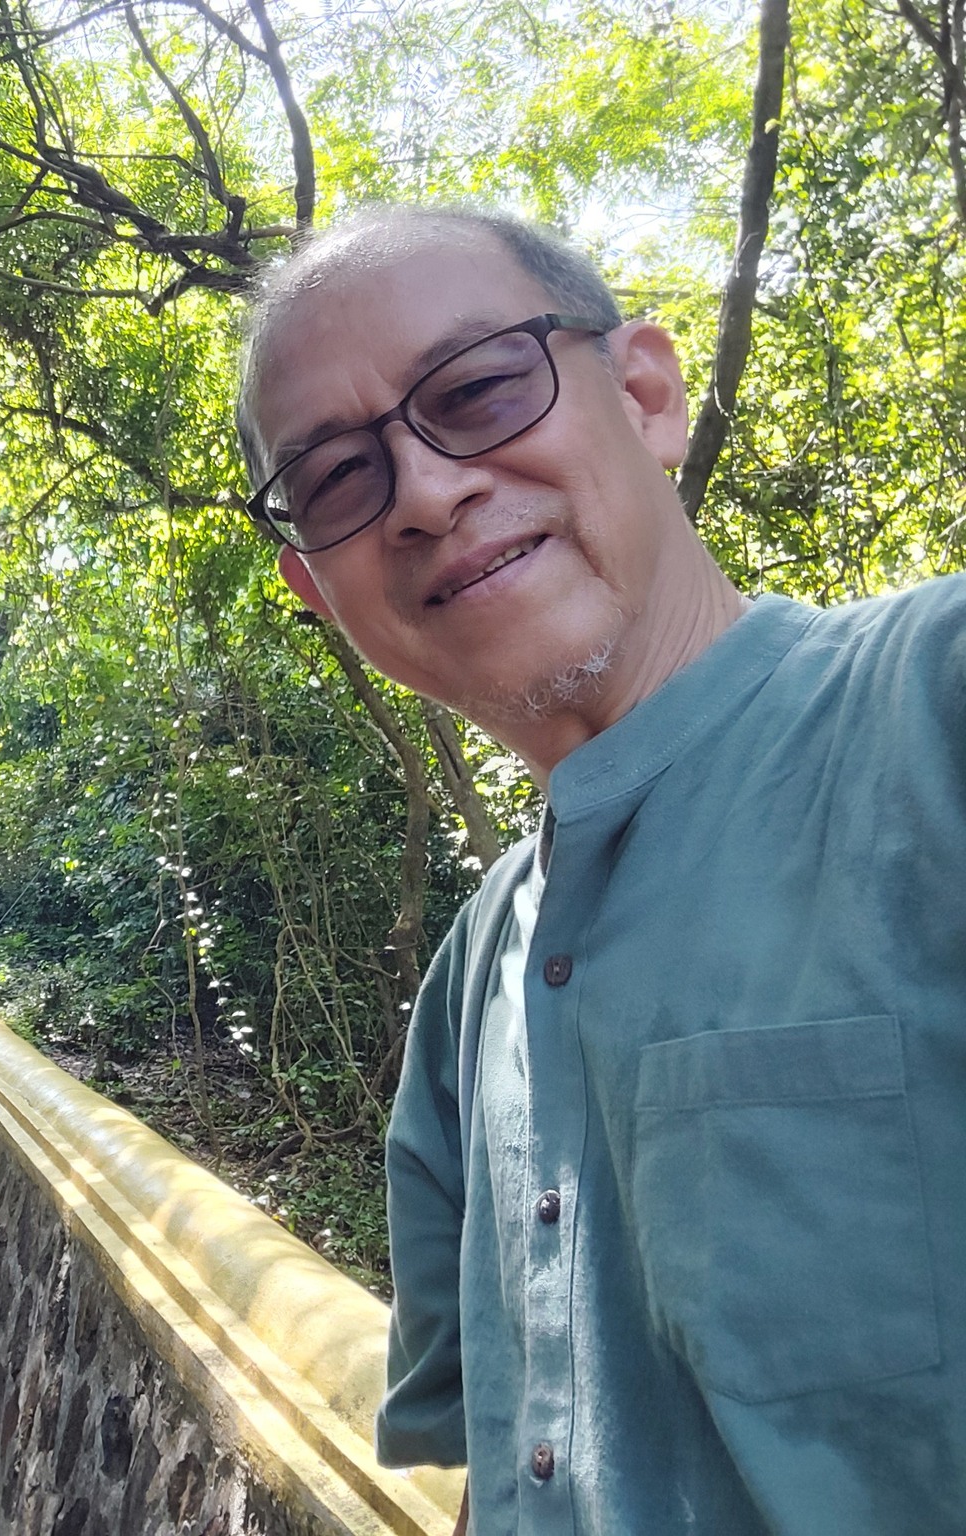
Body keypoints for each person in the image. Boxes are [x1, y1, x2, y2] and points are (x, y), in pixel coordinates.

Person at [235, 204, 966, 1535]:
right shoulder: (475, 973)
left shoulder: (930, 709)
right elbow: (506, 1460)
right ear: (315, 589)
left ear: (644, 395)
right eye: (338, 477)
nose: (426, 494)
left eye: (477, 390)